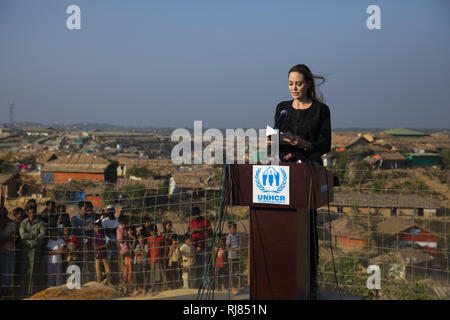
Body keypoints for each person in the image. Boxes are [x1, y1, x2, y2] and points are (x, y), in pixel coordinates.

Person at [270, 64, 331, 299]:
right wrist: (271, 143)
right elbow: (275, 136)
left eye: (298, 83)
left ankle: (310, 283)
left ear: (308, 84)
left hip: (308, 174)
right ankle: (283, 281)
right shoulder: (282, 108)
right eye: (290, 84)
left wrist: (303, 144)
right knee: (283, 229)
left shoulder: (321, 110)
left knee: (307, 232)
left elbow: (325, 144)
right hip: (283, 174)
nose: (294, 88)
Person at [19, 204, 46, 296]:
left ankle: (31, 291)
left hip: (35, 249)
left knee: (33, 270)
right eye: (30, 212)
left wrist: (29, 235)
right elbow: (22, 235)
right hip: (25, 249)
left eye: (33, 212)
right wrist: (35, 236)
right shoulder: (23, 222)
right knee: (25, 269)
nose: (32, 214)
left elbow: (43, 235)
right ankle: (24, 290)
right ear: (27, 213)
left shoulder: (40, 223)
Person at [187, 207, 212, 288]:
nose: (196, 217)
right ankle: (195, 285)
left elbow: (210, 232)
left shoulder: (206, 221)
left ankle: (205, 285)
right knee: (194, 267)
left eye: (197, 215)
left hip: (203, 247)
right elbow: (188, 233)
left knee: (203, 266)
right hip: (193, 248)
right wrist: (193, 230)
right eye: (194, 215)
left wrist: (202, 230)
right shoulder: (191, 222)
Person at [71, 201, 94, 284]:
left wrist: (81, 227)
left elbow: (91, 228)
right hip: (78, 243)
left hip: (88, 243)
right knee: (78, 262)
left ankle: (90, 282)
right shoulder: (74, 219)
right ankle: (77, 281)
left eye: (87, 208)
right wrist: (85, 228)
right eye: (85, 208)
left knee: (89, 262)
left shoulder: (90, 218)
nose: (87, 209)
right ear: (80, 208)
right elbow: (74, 230)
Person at [101, 205, 120, 285]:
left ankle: (116, 282)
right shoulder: (104, 221)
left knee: (116, 263)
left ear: (114, 212)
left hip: (115, 244)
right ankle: (108, 281)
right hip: (107, 245)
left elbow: (117, 231)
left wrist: (109, 230)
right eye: (109, 211)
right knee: (108, 263)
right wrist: (112, 230)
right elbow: (104, 232)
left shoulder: (117, 221)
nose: (110, 213)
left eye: (112, 211)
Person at [0, 207, 16, 297]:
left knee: (7, 273)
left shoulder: (10, 224)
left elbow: (12, 237)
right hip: (4, 250)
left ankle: (7, 292)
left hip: (7, 251)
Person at [147, 223, 165, 292]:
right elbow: (148, 249)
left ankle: (164, 286)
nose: (153, 232)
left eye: (154, 231)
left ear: (156, 230)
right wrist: (149, 258)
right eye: (151, 231)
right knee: (153, 274)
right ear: (150, 232)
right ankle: (153, 287)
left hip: (159, 259)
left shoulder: (161, 238)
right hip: (152, 259)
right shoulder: (149, 239)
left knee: (161, 273)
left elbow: (163, 248)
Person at [117, 215, 132, 290]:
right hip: (123, 251)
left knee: (129, 269)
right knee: (125, 268)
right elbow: (121, 240)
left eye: (125, 223)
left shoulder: (127, 229)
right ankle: (125, 285)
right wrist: (123, 230)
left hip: (129, 251)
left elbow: (131, 238)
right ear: (120, 223)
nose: (124, 224)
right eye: (122, 223)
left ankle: (128, 285)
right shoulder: (119, 230)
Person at [226, 222, 240, 290]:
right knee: (231, 272)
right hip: (231, 257)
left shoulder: (237, 236)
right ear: (229, 229)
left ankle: (238, 286)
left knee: (237, 272)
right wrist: (235, 250)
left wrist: (240, 249)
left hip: (237, 257)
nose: (234, 229)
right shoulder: (229, 236)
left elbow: (240, 244)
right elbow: (228, 248)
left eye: (235, 228)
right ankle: (232, 287)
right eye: (233, 228)